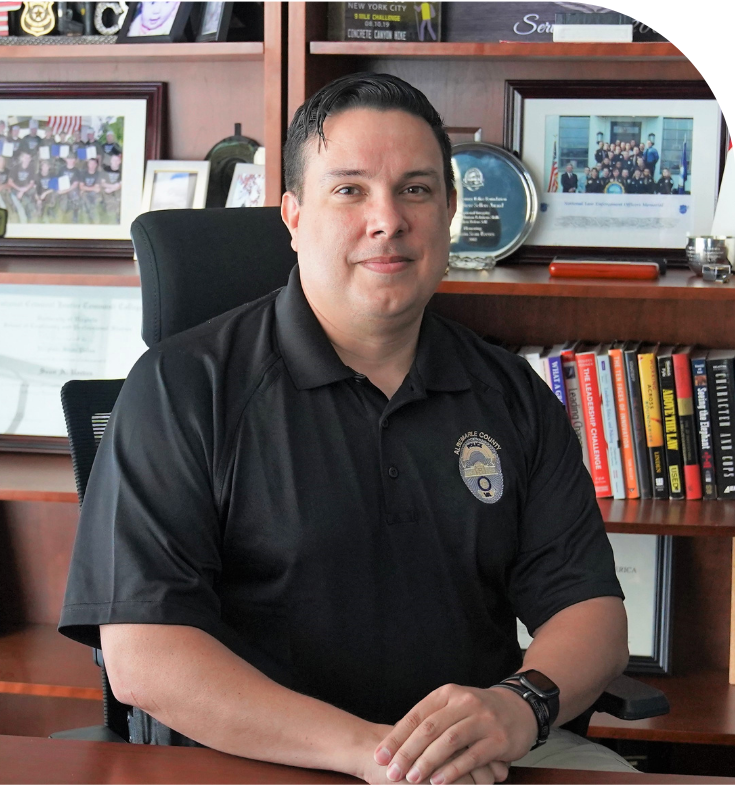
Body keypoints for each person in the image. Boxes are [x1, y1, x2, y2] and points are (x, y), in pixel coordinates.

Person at [60, 73, 630, 783]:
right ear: (294, 216)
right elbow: (144, 656)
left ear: (450, 210)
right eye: (350, 190)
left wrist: (521, 704)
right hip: (254, 759)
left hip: (470, 762)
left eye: (416, 189)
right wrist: (373, 753)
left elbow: (590, 610)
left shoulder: (511, 392)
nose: (387, 219)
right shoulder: (181, 387)